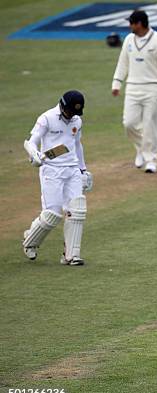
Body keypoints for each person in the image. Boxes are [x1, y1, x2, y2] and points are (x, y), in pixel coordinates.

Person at [22, 90, 92, 266]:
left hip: (72, 169)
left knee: (77, 210)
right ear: (62, 105)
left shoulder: (77, 120)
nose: (71, 115)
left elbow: (77, 145)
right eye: (69, 111)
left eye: (75, 113)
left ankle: (71, 255)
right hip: (51, 169)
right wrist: (34, 154)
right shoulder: (46, 118)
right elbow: (31, 141)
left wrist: (83, 170)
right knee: (52, 215)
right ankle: (30, 242)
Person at [111, 9, 157, 174]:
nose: (129, 26)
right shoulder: (129, 40)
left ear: (139, 24)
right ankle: (141, 148)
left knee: (150, 125)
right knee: (129, 123)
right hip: (132, 86)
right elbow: (123, 62)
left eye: (131, 22)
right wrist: (117, 83)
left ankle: (151, 159)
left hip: (153, 87)